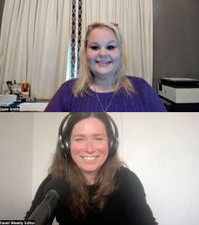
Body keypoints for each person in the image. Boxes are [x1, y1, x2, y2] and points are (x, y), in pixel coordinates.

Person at [25, 113, 158, 225]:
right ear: (66, 145)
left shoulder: (127, 180)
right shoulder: (55, 184)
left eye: (98, 139)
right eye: (80, 139)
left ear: (110, 144)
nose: (89, 149)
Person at [45, 22, 166, 112]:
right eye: (94, 47)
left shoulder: (142, 89)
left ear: (120, 52)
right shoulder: (67, 91)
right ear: (85, 52)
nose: (102, 53)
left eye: (111, 47)